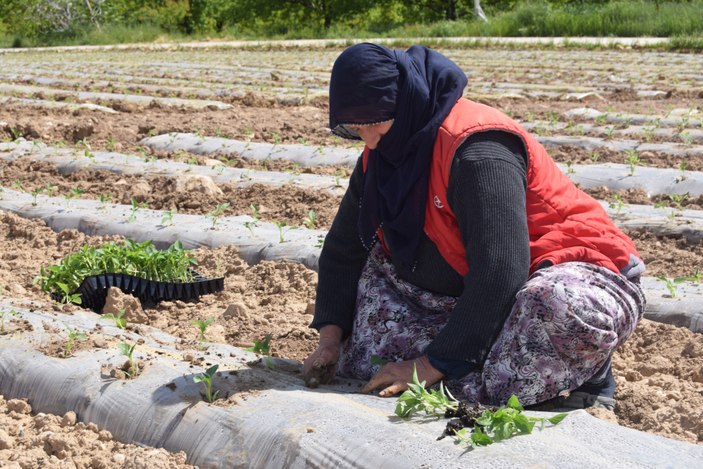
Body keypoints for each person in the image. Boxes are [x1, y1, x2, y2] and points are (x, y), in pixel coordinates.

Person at [302, 42, 646, 410]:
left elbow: (500, 270)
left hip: (573, 273)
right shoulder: (382, 153)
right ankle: (476, 355)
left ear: (404, 103)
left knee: (547, 316)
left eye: (374, 123)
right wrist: (330, 339)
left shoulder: (478, 149)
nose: (368, 140)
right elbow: (345, 247)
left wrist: (427, 365)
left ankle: (590, 374)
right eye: (354, 129)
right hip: (470, 286)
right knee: (365, 359)